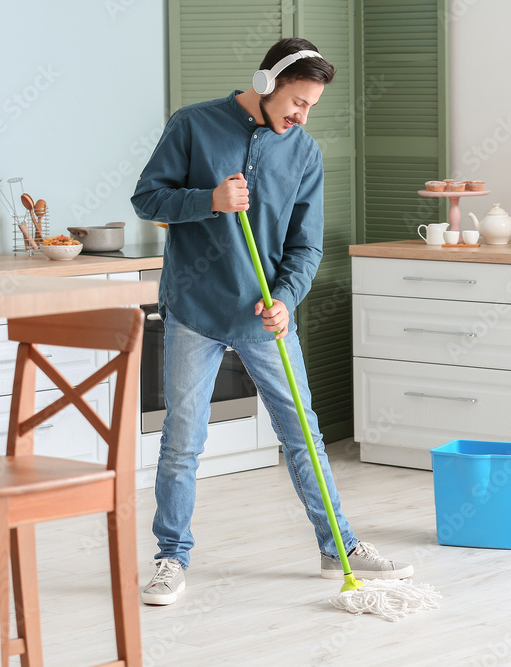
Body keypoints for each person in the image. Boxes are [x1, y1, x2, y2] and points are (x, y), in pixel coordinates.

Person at [131, 38, 412, 606]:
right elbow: (147, 199)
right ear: (266, 84)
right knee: (183, 442)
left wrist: (286, 297)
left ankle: (340, 545)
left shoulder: (303, 153)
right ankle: (170, 557)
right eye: (297, 101)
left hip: (265, 318)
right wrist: (208, 199)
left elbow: (305, 248)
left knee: (303, 435)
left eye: (311, 106)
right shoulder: (193, 126)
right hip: (195, 311)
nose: (301, 115)